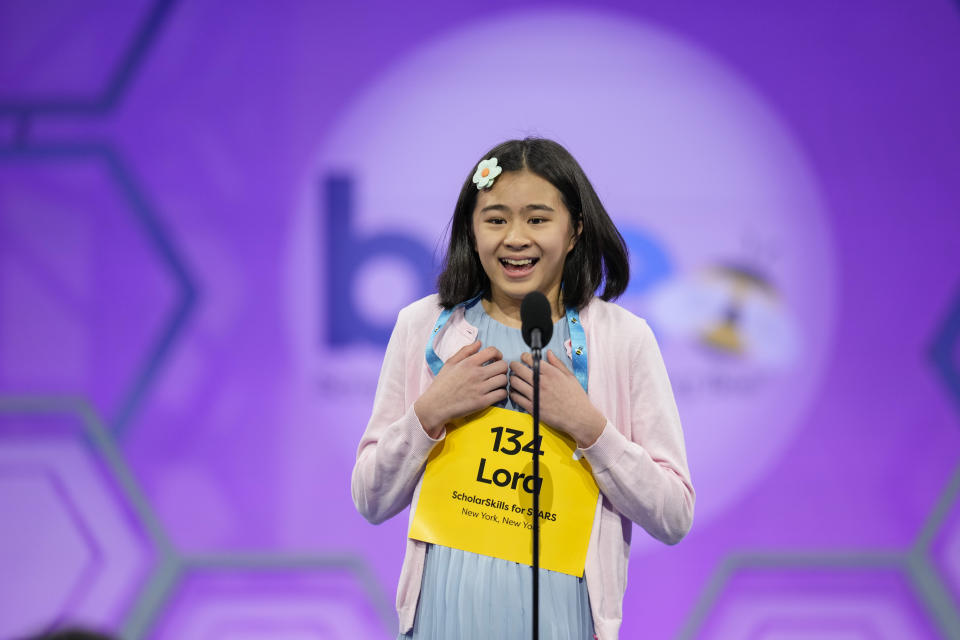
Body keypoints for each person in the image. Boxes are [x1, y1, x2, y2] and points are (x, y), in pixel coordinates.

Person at [351, 137, 694, 640]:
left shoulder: (623, 339)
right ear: (473, 228)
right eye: (495, 219)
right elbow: (370, 498)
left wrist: (591, 428)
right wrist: (428, 415)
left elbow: (674, 514)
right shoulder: (422, 327)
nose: (515, 238)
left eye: (537, 219)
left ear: (575, 230)